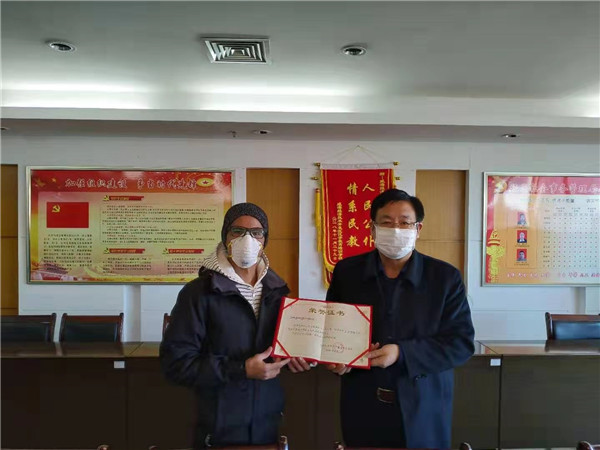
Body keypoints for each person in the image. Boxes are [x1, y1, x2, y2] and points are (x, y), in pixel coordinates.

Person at [325, 189, 474, 448]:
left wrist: (402, 353)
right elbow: (331, 329)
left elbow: (460, 344)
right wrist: (334, 357)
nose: (396, 229)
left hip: (424, 407)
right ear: (372, 229)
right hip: (363, 406)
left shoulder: (444, 278)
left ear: (418, 228)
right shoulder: (347, 273)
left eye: (405, 222)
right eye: (386, 222)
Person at [160, 203, 308, 448]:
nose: (247, 239)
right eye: (238, 231)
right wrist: (241, 369)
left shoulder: (277, 292)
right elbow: (176, 364)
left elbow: (279, 352)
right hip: (217, 426)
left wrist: (297, 358)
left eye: (257, 232)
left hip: (268, 423)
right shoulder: (198, 293)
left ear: (265, 240)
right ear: (225, 236)